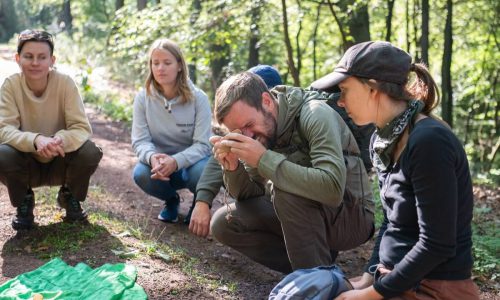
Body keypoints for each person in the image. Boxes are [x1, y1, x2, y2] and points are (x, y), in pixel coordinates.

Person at [309, 41, 479, 299]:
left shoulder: (429, 142)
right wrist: (368, 277)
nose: (340, 102)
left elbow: (437, 244)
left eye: (344, 90)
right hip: (395, 281)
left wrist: (370, 295)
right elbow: (393, 222)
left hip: (433, 288)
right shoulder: (385, 140)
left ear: (373, 87)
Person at [209, 72, 375, 273]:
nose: (248, 136)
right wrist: (232, 167)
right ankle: (315, 267)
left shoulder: (315, 114)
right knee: (224, 223)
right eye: (238, 132)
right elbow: (251, 196)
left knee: (287, 192)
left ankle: (314, 284)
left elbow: (332, 189)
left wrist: (264, 159)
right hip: (305, 214)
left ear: (267, 101)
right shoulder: (261, 132)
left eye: (249, 125)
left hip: (352, 215)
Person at [0, 29, 103, 230]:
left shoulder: (65, 83)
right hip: (26, 160)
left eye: (42, 57)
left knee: (90, 151)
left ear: (52, 60)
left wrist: (58, 140)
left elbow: (81, 128)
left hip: (60, 156)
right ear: (18, 58)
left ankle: (69, 195)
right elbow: (4, 129)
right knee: (2, 153)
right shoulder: (10, 85)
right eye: (28, 56)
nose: (35, 62)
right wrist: (36, 140)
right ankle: (24, 199)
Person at [189, 64, 283, 237]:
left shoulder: (297, 121)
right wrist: (202, 201)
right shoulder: (244, 124)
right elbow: (217, 161)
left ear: (268, 100)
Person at [131, 38, 211, 224]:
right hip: (159, 165)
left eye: (167, 63)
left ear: (180, 66)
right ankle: (171, 200)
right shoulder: (143, 98)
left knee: (204, 171)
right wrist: (152, 158)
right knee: (141, 174)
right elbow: (140, 141)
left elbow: (203, 144)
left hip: (192, 164)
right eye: (155, 63)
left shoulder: (199, 99)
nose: (160, 68)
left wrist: (176, 161)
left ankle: (198, 204)